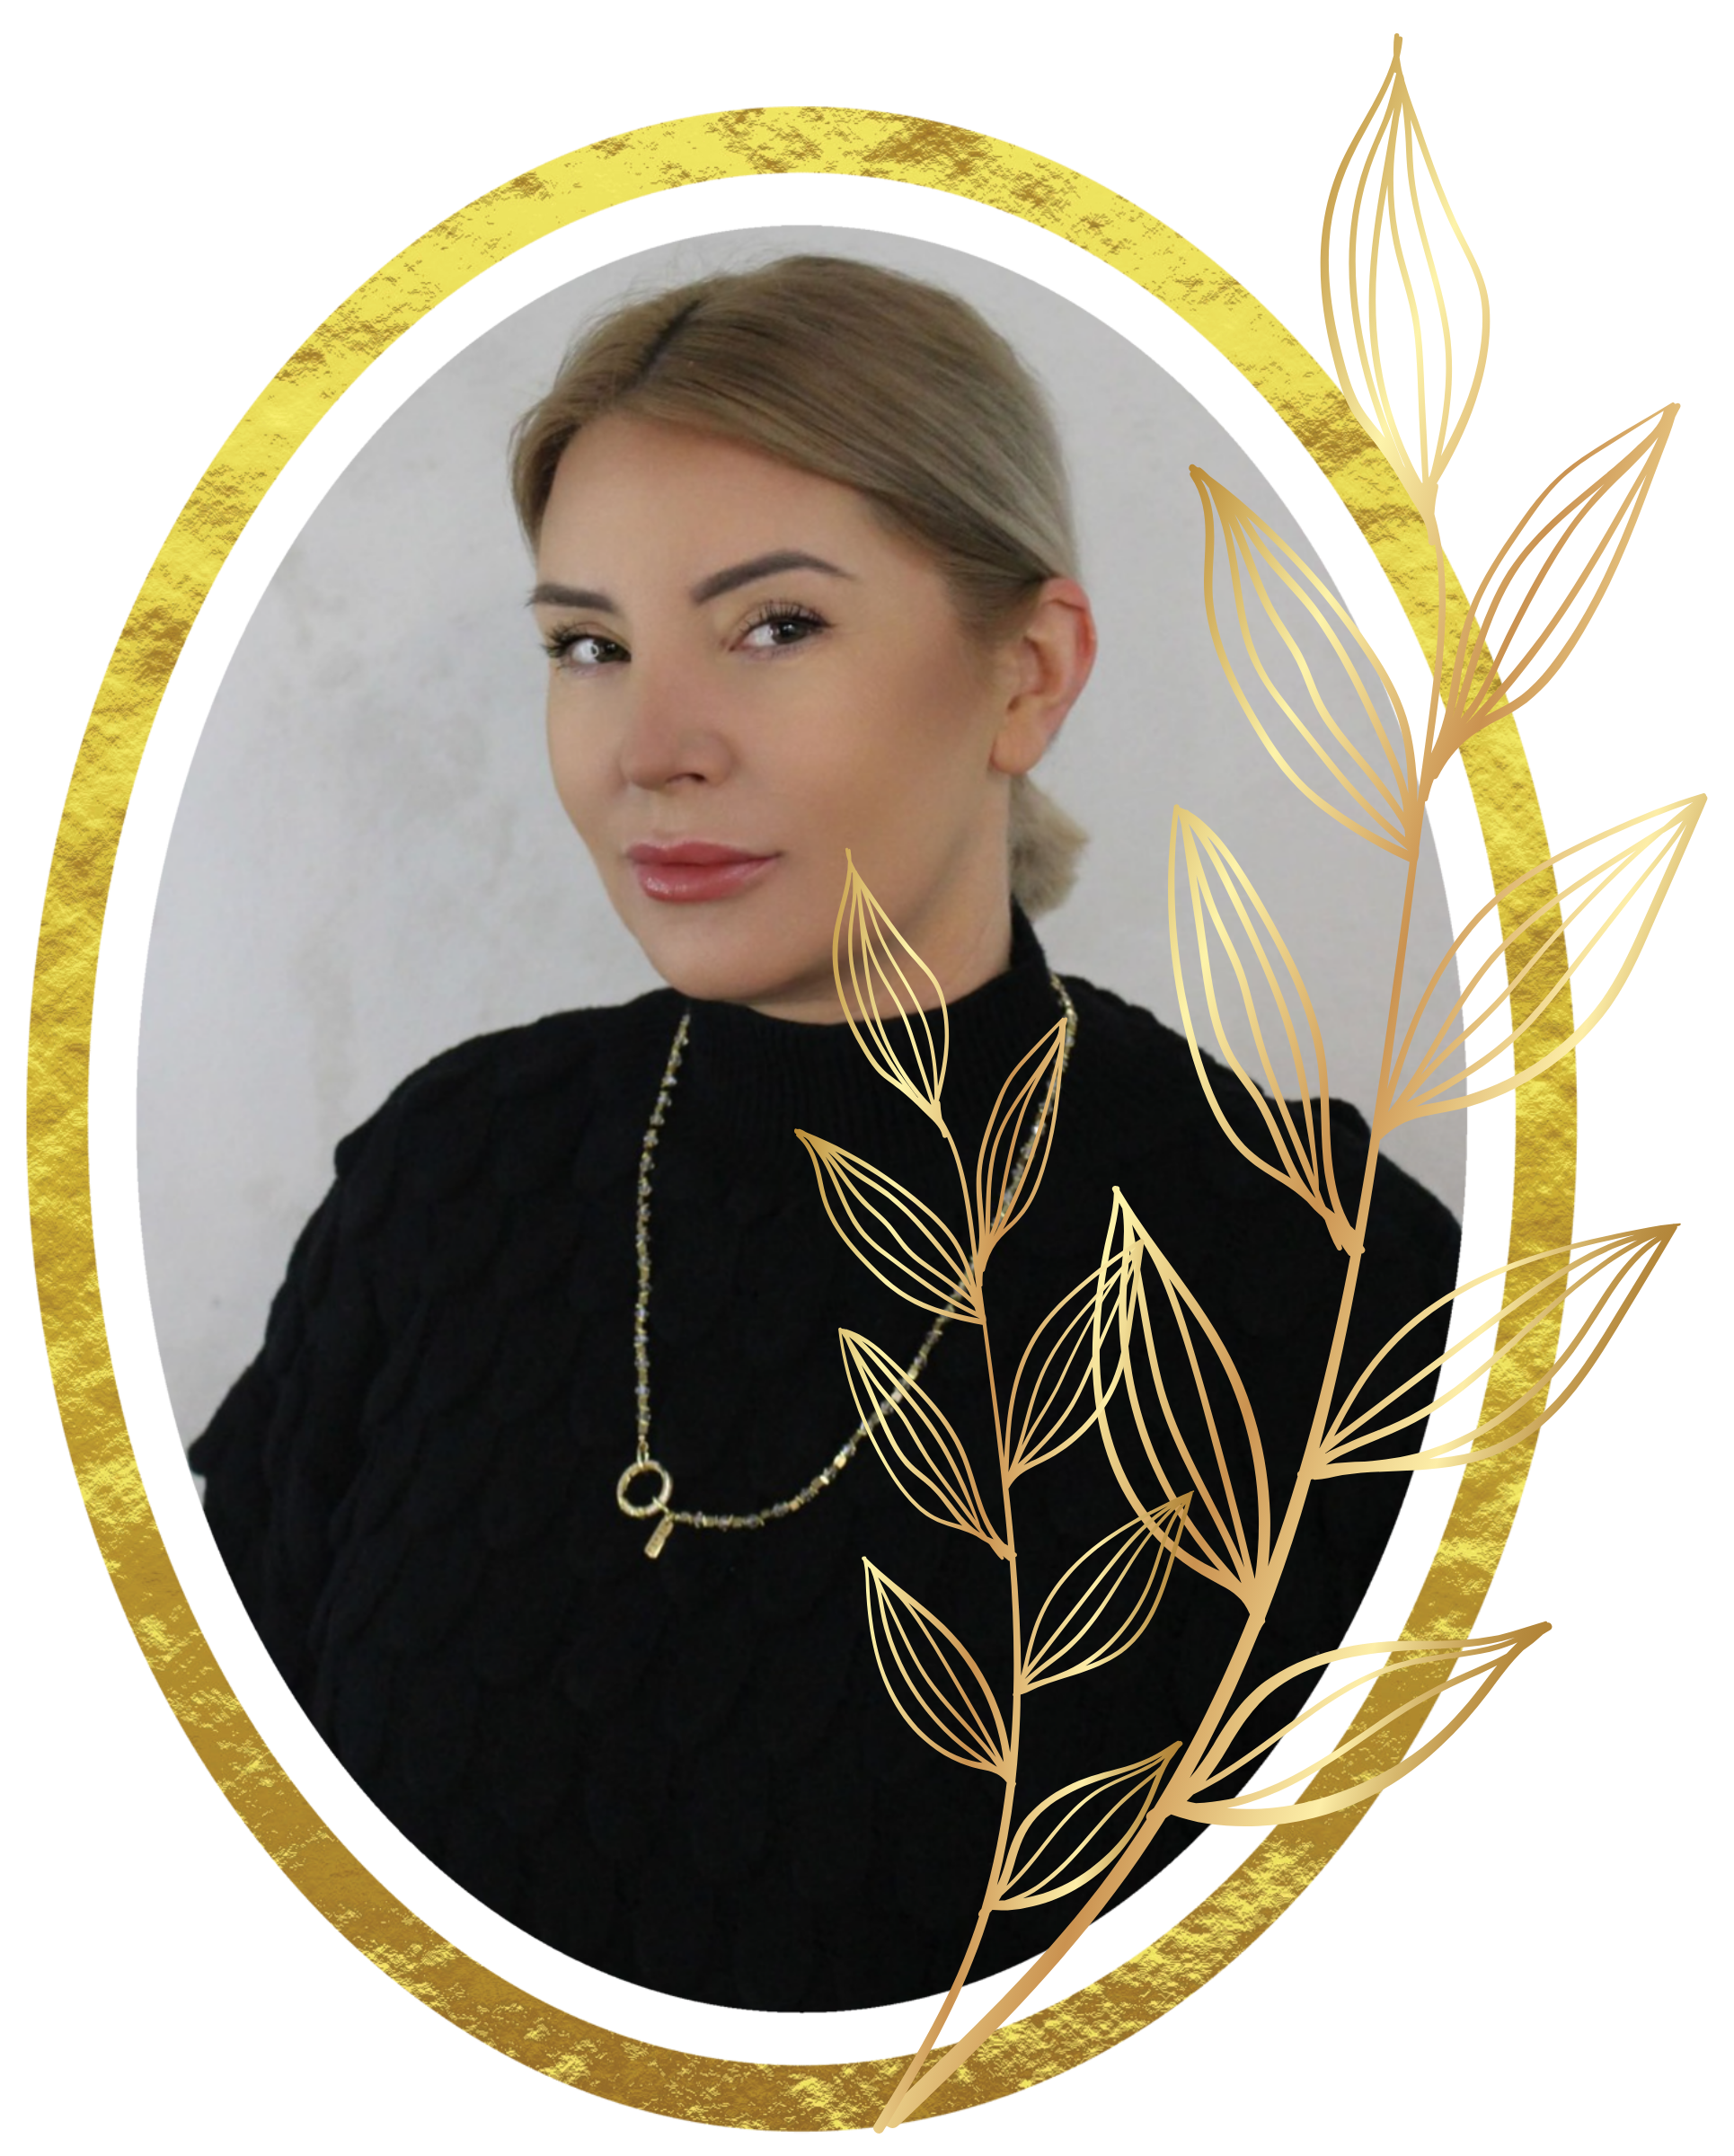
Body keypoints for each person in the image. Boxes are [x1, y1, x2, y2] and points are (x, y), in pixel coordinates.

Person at [190, 255, 1461, 2016]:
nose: (650, 747)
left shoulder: (1319, 1270)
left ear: (1026, 673)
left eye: (774, 625)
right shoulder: (443, 1174)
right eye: (587, 646)